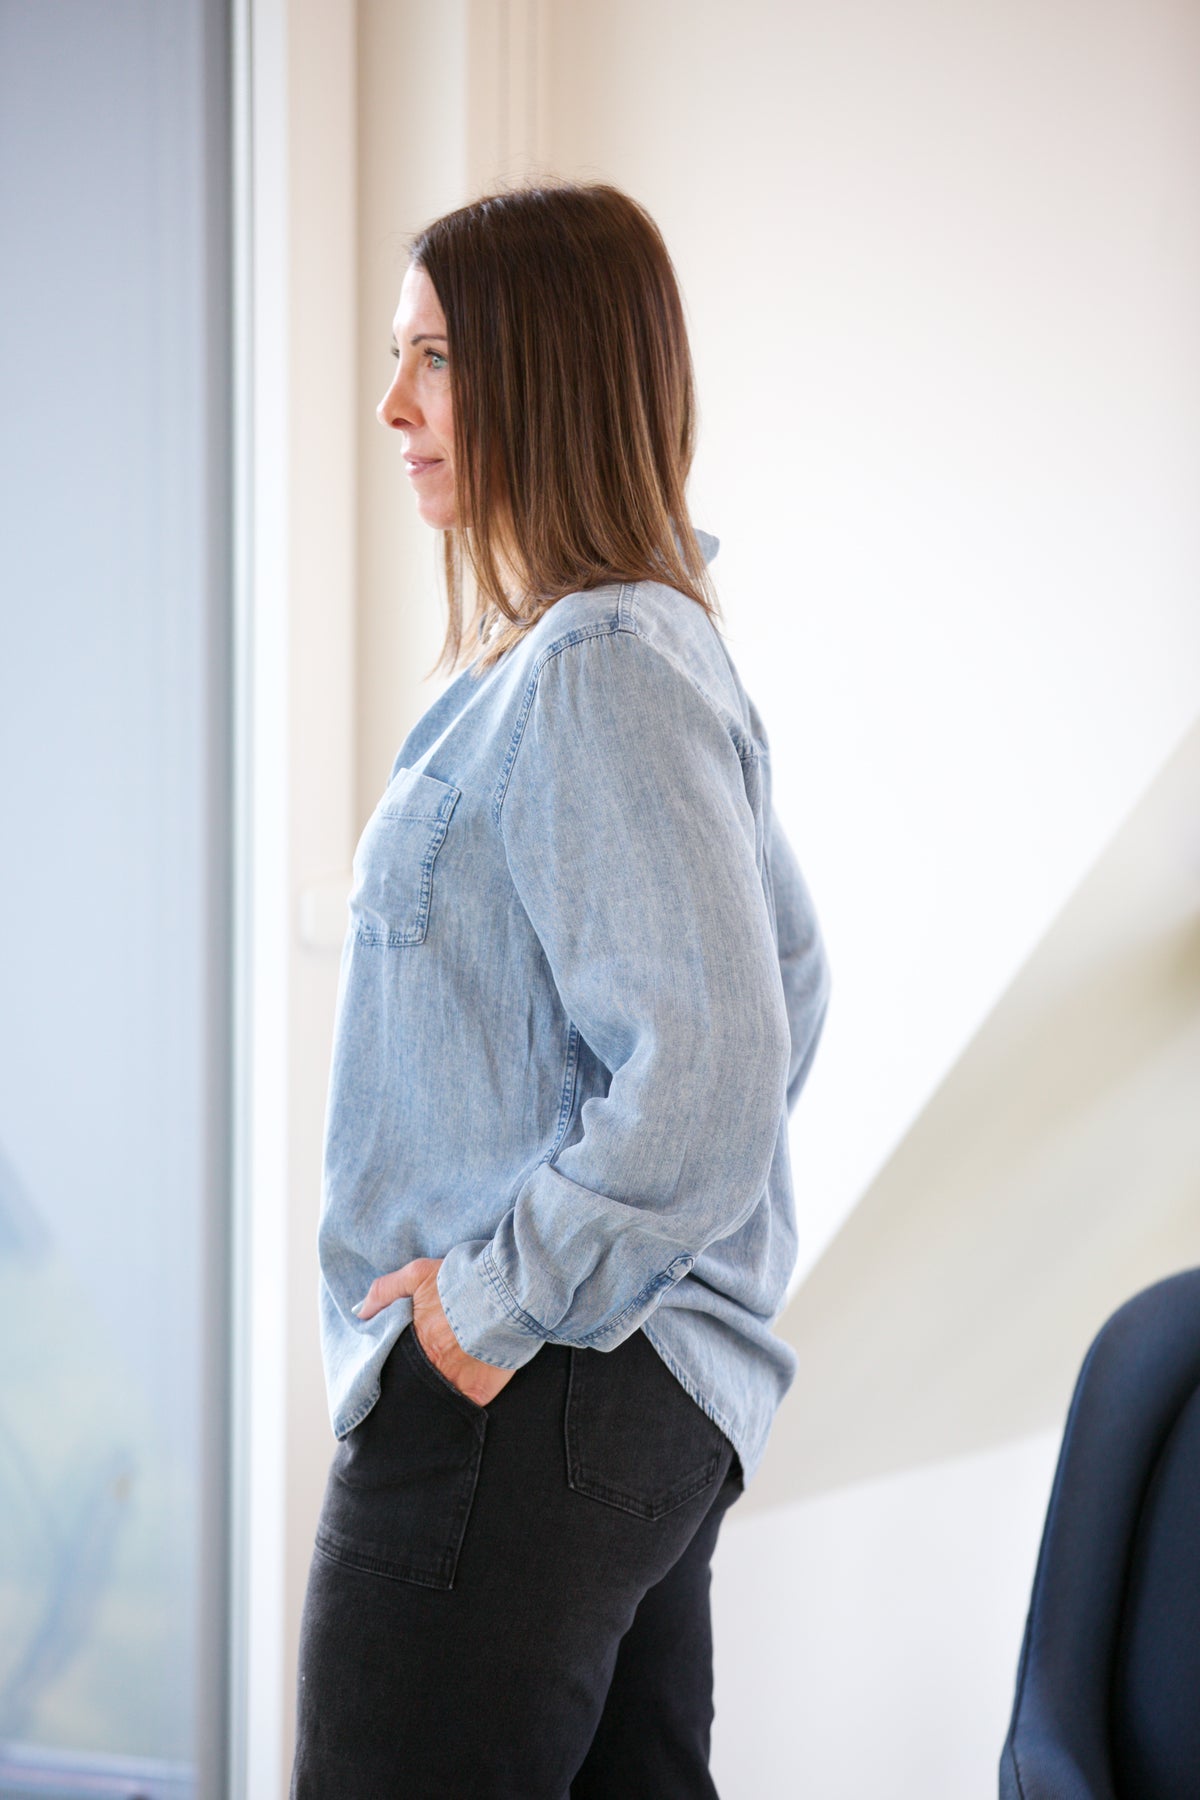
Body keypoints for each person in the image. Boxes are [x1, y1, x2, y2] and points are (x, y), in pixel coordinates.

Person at [290, 179, 831, 1799]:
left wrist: (501, 1300)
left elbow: (716, 1063)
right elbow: (787, 981)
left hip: (528, 1401)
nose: (394, 406)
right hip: (613, 1397)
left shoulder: (594, 663)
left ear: (551, 373)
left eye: (437, 358)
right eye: (399, 356)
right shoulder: (638, 646)